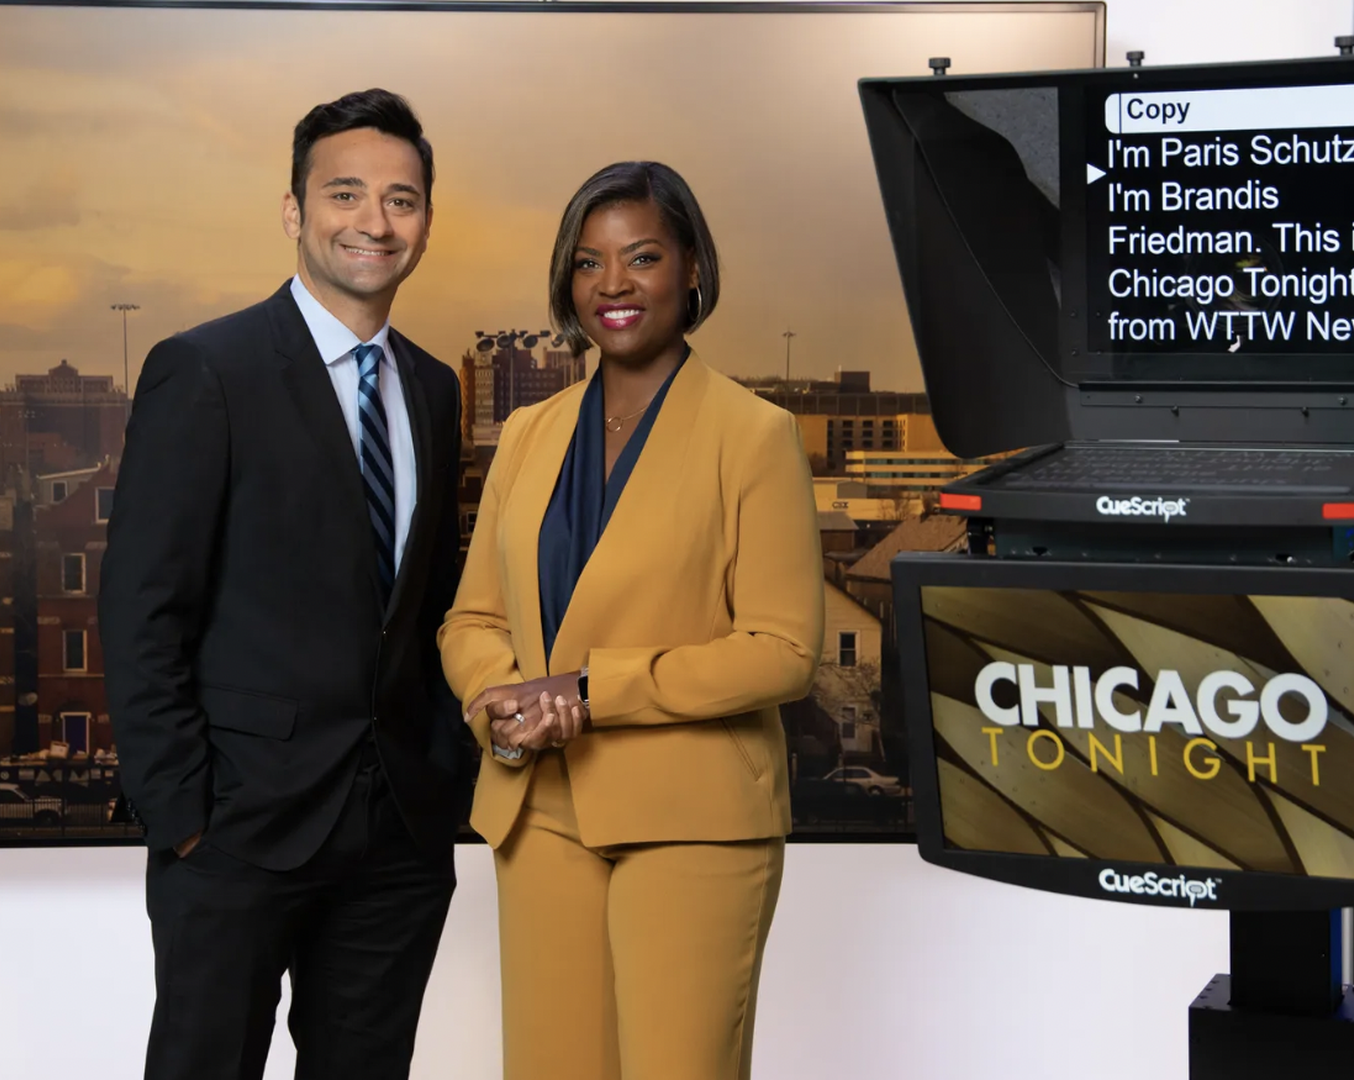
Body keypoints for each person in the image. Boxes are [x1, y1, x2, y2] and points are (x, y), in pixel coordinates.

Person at [100, 88, 468, 1080]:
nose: (373, 221)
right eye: (345, 193)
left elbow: (431, 603)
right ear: (294, 210)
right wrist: (181, 816)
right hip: (235, 832)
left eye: (400, 199)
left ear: (426, 221)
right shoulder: (204, 370)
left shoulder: (434, 388)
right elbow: (141, 608)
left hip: (397, 835)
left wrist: (444, 771)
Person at [439, 161, 825, 1080]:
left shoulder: (754, 434)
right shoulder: (527, 435)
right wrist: (506, 704)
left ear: (691, 269)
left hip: (694, 818)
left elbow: (783, 652)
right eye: (589, 262)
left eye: (641, 257)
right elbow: (471, 619)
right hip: (539, 811)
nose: (612, 284)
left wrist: (588, 689)